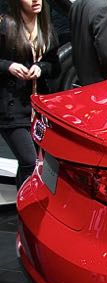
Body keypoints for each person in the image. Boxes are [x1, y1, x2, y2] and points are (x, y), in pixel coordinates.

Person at [0, 0, 59, 188]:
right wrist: (8, 66)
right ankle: (27, 201)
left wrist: (41, 68)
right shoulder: (5, 24)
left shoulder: (45, 27)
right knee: (29, 161)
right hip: (10, 107)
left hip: (36, 106)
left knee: (29, 163)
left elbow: (55, 66)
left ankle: (23, 199)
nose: (35, 0)